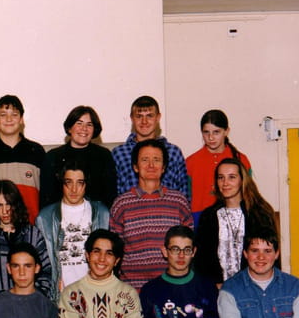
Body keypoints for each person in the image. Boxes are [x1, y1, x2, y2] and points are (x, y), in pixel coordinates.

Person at [109, 139, 192, 291]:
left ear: (164, 167)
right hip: (132, 290)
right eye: (145, 160)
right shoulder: (121, 204)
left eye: (157, 160)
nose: (151, 165)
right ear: (135, 167)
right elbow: (115, 251)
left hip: (172, 287)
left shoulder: (179, 202)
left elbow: (188, 248)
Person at [194, 158, 278, 286]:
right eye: (221, 177)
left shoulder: (260, 214)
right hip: (218, 289)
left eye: (232, 177)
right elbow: (202, 260)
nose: (225, 183)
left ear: (242, 180)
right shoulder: (208, 216)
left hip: (254, 287)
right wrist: (214, 285)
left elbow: (269, 255)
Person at [36, 159, 110, 300]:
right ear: (62, 184)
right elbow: (41, 260)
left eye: (79, 183)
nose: (74, 189)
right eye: (69, 183)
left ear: (86, 184)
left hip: (95, 293)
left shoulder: (101, 213)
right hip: (60, 295)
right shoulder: (45, 218)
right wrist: (50, 285)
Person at [0, 180, 52, 304]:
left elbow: (45, 272)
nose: (5, 211)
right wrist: (2, 304)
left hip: (31, 306)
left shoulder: (33, 234)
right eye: (0, 205)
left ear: (16, 205)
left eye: (9, 204)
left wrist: (30, 299)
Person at [0, 94, 46, 224]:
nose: (9, 119)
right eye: (3, 115)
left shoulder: (36, 152)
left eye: (14, 114)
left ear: (21, 119)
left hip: (30, 228)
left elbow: (45, 196)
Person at [112, 95, 189, 199]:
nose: (144, 121)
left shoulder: (173, 152)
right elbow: (113, 194)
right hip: (130, 207)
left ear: (158, 118)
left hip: (168, 208)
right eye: (139, 116)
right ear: (132, 118)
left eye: (149, 116)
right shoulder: (119, 153)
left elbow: (184, 193)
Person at [41, 105, 118, 208]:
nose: (84, 129)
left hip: (97, 214)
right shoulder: (53, 156)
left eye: (89, 124)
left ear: (94, 130)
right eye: (79, 123)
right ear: (69, 128)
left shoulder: (104, 155)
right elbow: (46, 198)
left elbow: (111, 195)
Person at [186, 109, 252, 220]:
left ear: (226, 131)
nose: (211, 137)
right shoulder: (190, 162)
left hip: (235, 217)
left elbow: (249, 194)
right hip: (200, 219)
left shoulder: (241, 160)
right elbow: (186, 199)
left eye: (216, 132)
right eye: (206, 132)